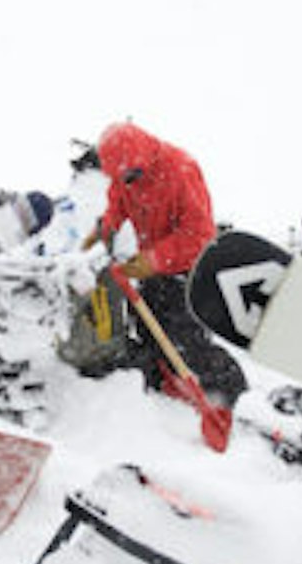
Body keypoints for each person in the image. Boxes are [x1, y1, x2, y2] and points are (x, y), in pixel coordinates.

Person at [78, 121, 247, 411]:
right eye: (121, 177)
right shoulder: (125, 176)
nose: (127, 181)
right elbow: (118, 201)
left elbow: (199, 235)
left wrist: (154, 259)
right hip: (154, 267)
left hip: (188, 271)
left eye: (131, 175)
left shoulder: (181, 169)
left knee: (186, 341)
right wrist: (106, 226)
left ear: (143, 159)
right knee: (147, 330)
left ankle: (231, 395)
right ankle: (164, 391)